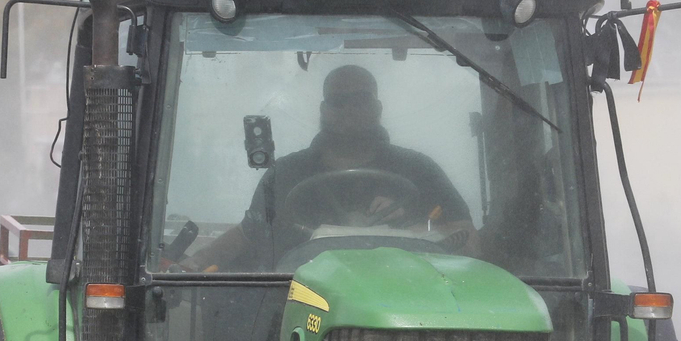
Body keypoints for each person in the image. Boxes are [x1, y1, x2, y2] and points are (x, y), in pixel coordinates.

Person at [183, 64, 474, 271]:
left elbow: (467, 238)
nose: (349, 110)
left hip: (405, 302)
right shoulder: (285, 174)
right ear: (323, 110)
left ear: (378, 107)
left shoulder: (419, 170)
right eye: (338, 101)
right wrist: (194, 264)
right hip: (298, 302)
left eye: (360, 99)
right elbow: (249, 234)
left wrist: (414, 228)